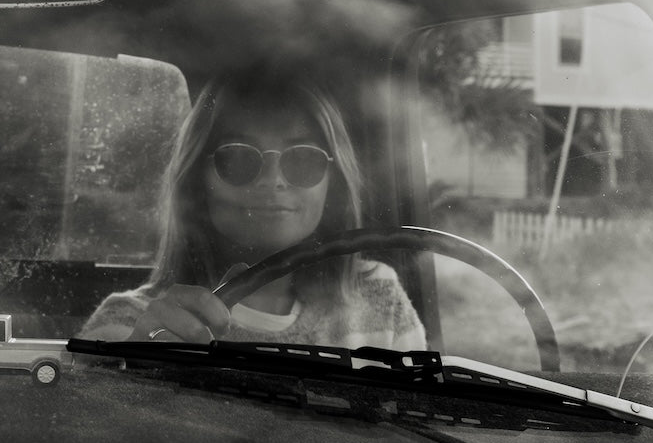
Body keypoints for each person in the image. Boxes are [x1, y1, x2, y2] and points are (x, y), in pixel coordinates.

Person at [78, 74, 426, 351]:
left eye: (303, 159)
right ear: (197, 182)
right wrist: (137, 360)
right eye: (238, 158)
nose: (273, 180)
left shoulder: (379, 295)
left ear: (332, 185)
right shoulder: (130, 322)